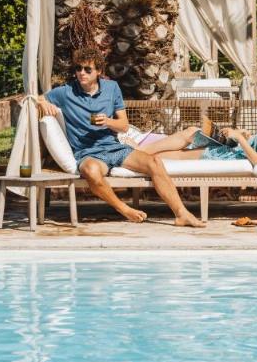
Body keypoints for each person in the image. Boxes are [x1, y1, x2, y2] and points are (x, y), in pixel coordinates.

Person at [38, 46, 205, 228]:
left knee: (154, 162)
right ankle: (124, 209)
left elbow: (124, 125)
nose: (81, 73)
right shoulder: (65, 92)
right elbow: (34, 97)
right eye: (78, 68)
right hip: (88, 152)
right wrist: (42, 103)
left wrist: (108, 122)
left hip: (114, 147)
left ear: (99, 71)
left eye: (87, 69)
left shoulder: (111, 88)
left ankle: (182, 214)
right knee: (90, 171)